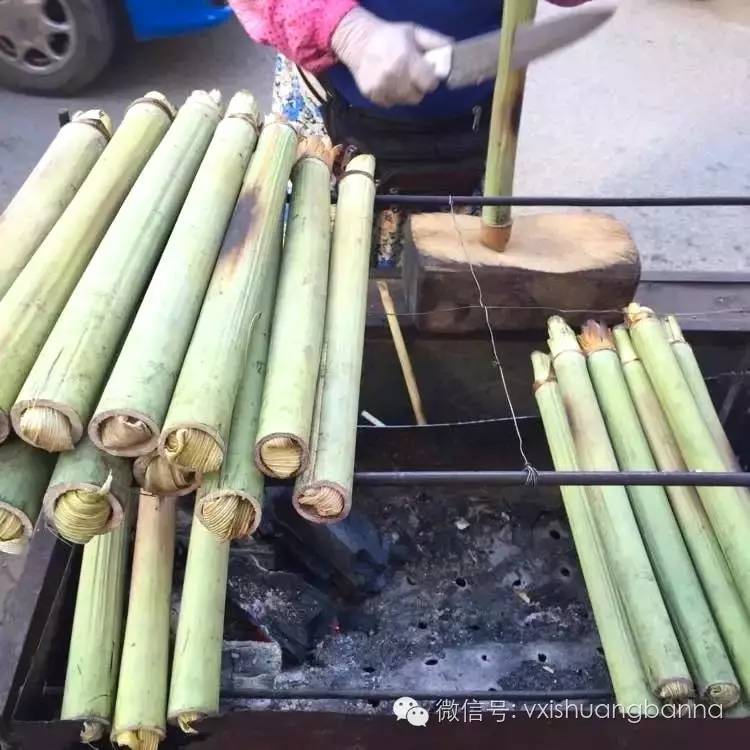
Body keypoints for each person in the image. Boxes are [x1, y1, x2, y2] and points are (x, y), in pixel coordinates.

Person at [228, 0, 590, 265]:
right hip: (326, 113)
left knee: (448, 288)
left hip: (472, 124)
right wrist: (346, 30)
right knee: (309, 272)